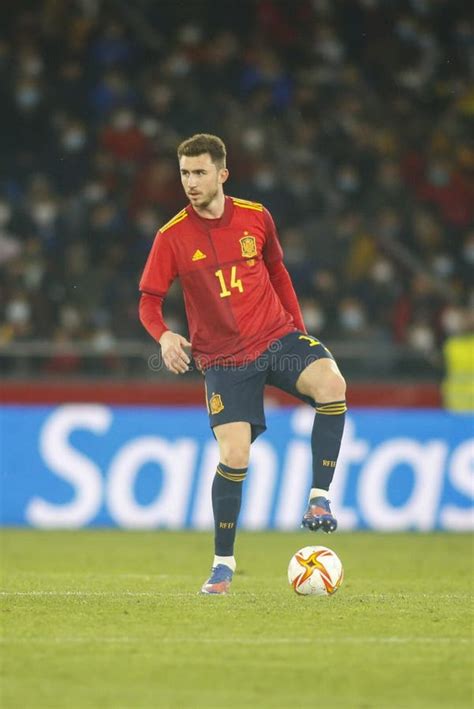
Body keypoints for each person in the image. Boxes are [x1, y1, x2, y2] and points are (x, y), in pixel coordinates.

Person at [139, 134, 347, 595]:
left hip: (276, 337)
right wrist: (166, 335)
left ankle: (319, 500)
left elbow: (277, 271)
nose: (190, 183)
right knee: (234, 456)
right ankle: (222, 565)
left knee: (332, 384)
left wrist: (298, 328)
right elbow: (149, 302)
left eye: (199, 172)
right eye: (184, 174)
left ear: (222, 174)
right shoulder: (171, 237)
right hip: (225, 359)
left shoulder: (256, 217)